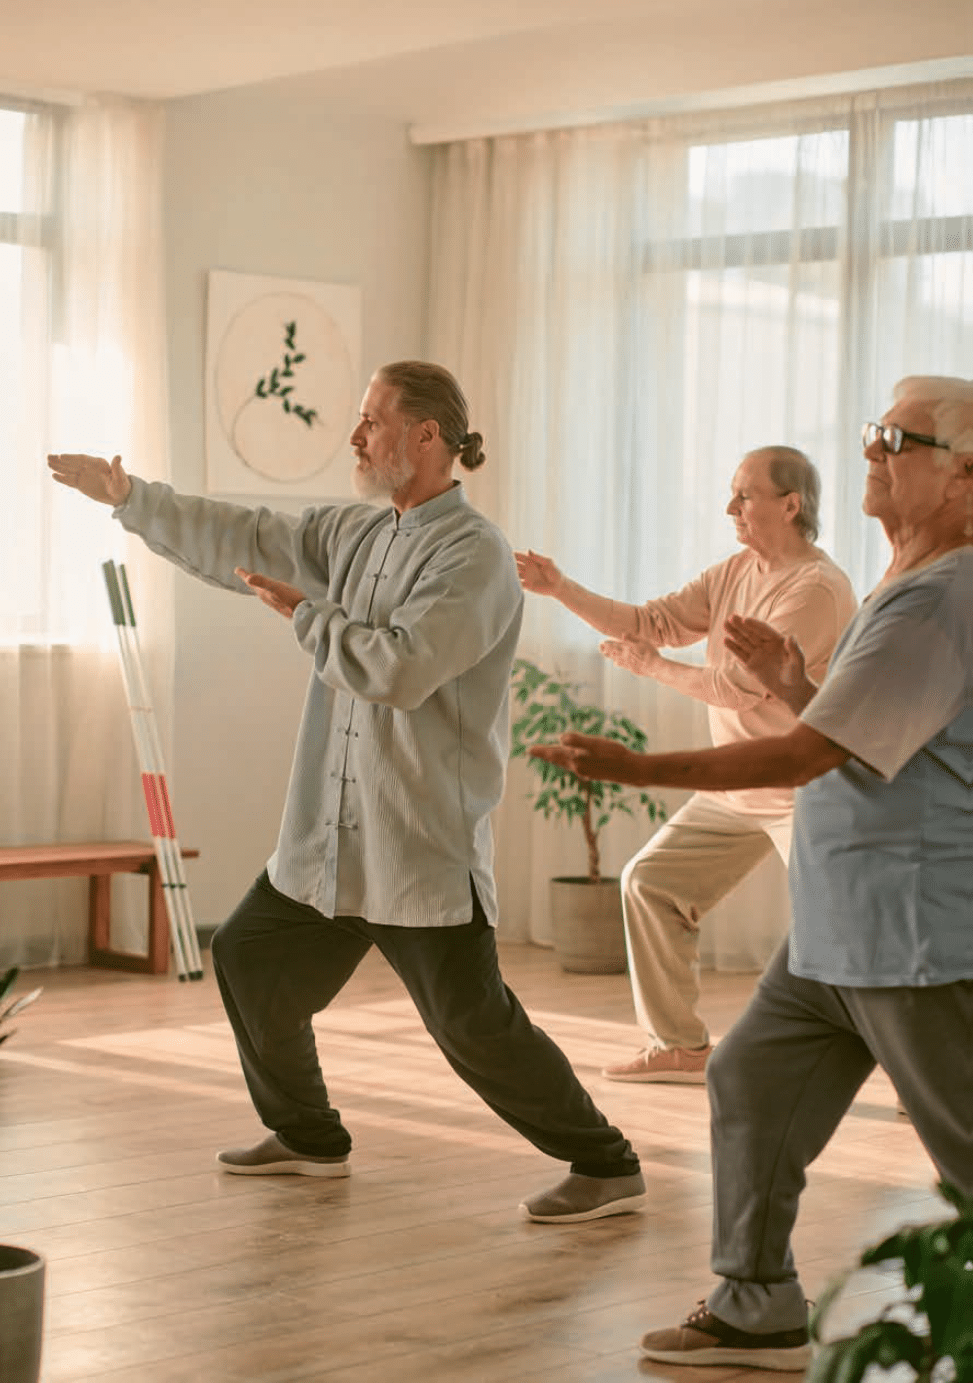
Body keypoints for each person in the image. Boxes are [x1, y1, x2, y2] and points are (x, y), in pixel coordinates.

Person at [48, 360, 645, 1224]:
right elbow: (246, 535)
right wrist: (130, 495)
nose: (356, 435)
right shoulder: (359, 534)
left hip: (416, 844)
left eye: (372, 419)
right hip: (328, 842)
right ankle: (308, 1136)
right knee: (249, 957)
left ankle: (606, 1161)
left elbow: (398, 667)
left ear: (427, 436)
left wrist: (303, 613)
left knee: (472, 1027)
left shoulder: (474, 557)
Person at [531, 374, 973, 1368]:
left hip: (911, 937)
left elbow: (803, 756)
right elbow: (844, 726)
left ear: (961, 480)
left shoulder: (936, 603)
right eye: (871, 430)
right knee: (747, 1079)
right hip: (834, 935)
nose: (871, 449)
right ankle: (756, 1302)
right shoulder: (901, 586)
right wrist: (792, 681)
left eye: (895, 437)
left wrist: (637, 767)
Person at [516, 446, 857, 1082]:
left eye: (745, 494)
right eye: (731, 492)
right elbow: (652, 621)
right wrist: (559, 588)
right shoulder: (736, 570)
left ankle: (917, 1071)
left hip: (805, 791)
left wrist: (652, 668)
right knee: (651, 882)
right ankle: (678, 1045)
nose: (730, 506)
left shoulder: (818, 590)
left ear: (791, 505)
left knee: (845, 934)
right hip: (737, 786)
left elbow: (739, 687)